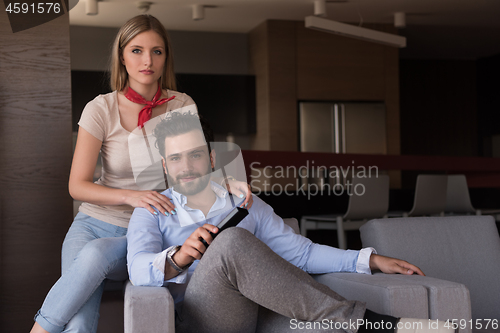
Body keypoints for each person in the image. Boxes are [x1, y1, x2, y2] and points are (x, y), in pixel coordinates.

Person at [126, 111, 454, 333]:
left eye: (195, 154)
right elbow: (138, 270)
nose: (187, 166)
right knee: (230, 242)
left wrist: (369, 259)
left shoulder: (244, 203)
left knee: (234, 240)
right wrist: (180, 256)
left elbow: (301, 254)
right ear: (166, 167)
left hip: (250, 314)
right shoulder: (153, 210)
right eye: (175, 158)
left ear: (211, 159)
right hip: (198, 321)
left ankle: (365, 324)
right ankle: (373, 324)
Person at [30, 15, 251, 333]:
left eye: (157, 51)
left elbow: (192, 167)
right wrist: (131, 196)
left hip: (147, 230)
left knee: (96, 256)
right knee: (77, 325)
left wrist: (225, 181)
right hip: (91, 225)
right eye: (136, 50)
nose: (147, 60)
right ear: (121, 56)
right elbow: (77, 186)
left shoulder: (181, 105)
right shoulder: (100, 109)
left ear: (166, 57)